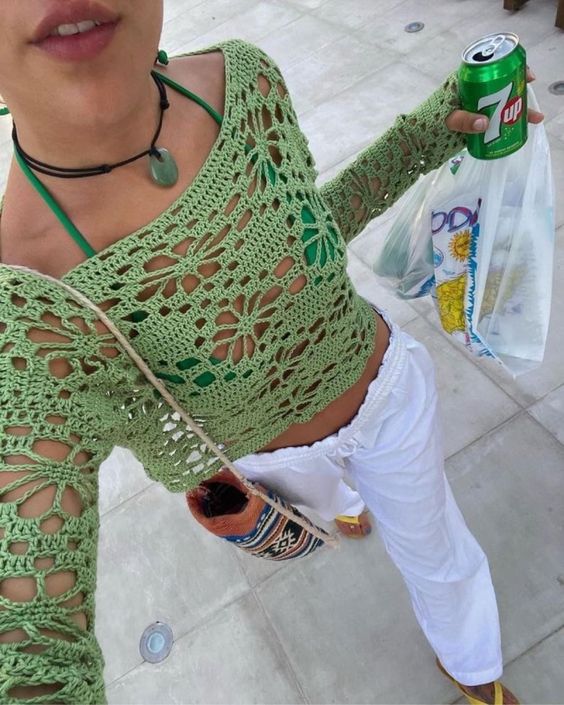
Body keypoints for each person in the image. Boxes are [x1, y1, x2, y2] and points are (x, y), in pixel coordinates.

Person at [0, 2, 544, 703]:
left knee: (438, 550)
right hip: (273, 469)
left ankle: (472, 664)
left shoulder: (243, 82)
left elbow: (307, 236)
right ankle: (346, 500)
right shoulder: (26, 298)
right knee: (344, 498)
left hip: (385, 397)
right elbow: (34, 627)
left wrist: (426, 135)